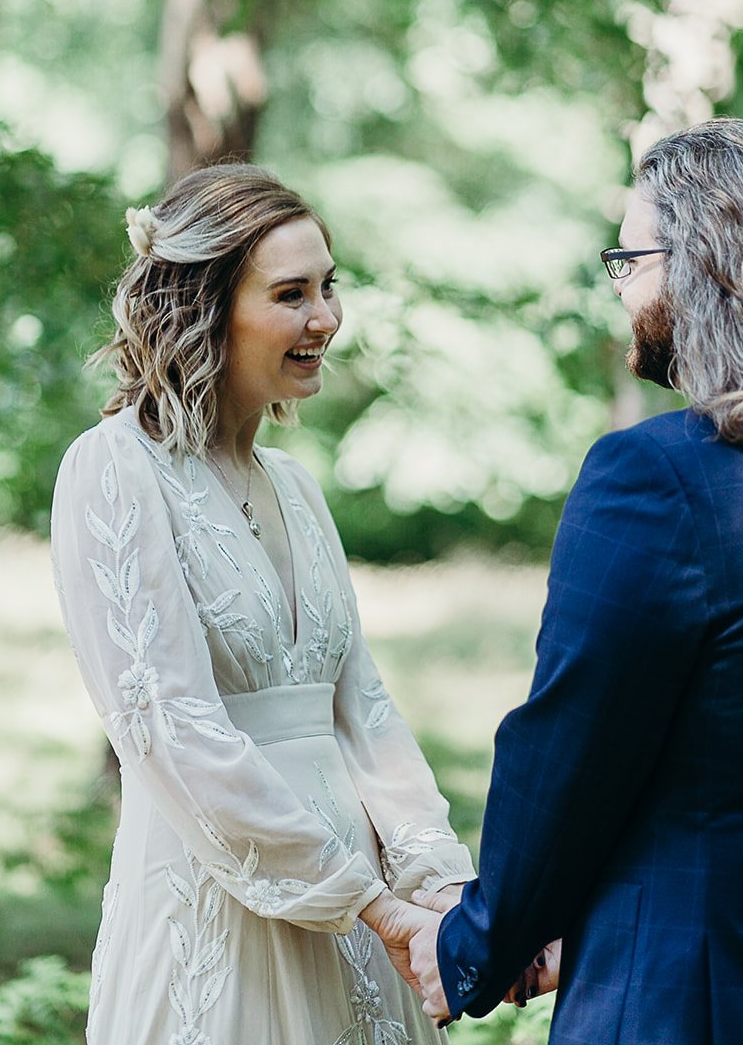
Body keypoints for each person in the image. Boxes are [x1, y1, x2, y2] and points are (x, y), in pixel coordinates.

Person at [397, 118, 743, 1042]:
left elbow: (567, 753)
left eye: (629, 257)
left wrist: (477, 946)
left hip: (696, 997)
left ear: (700, 265)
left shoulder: (661, 480)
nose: (622, 287)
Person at [50, 163, 475, 1045]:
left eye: (328, 287)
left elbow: (364, 712)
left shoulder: (296, 487)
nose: (324, 317)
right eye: (291, 293)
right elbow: (170, 727)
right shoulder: (114, 470)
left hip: (361, 915)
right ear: (204, 305)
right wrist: (369, 904)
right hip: (218, 900)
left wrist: (437, 886)